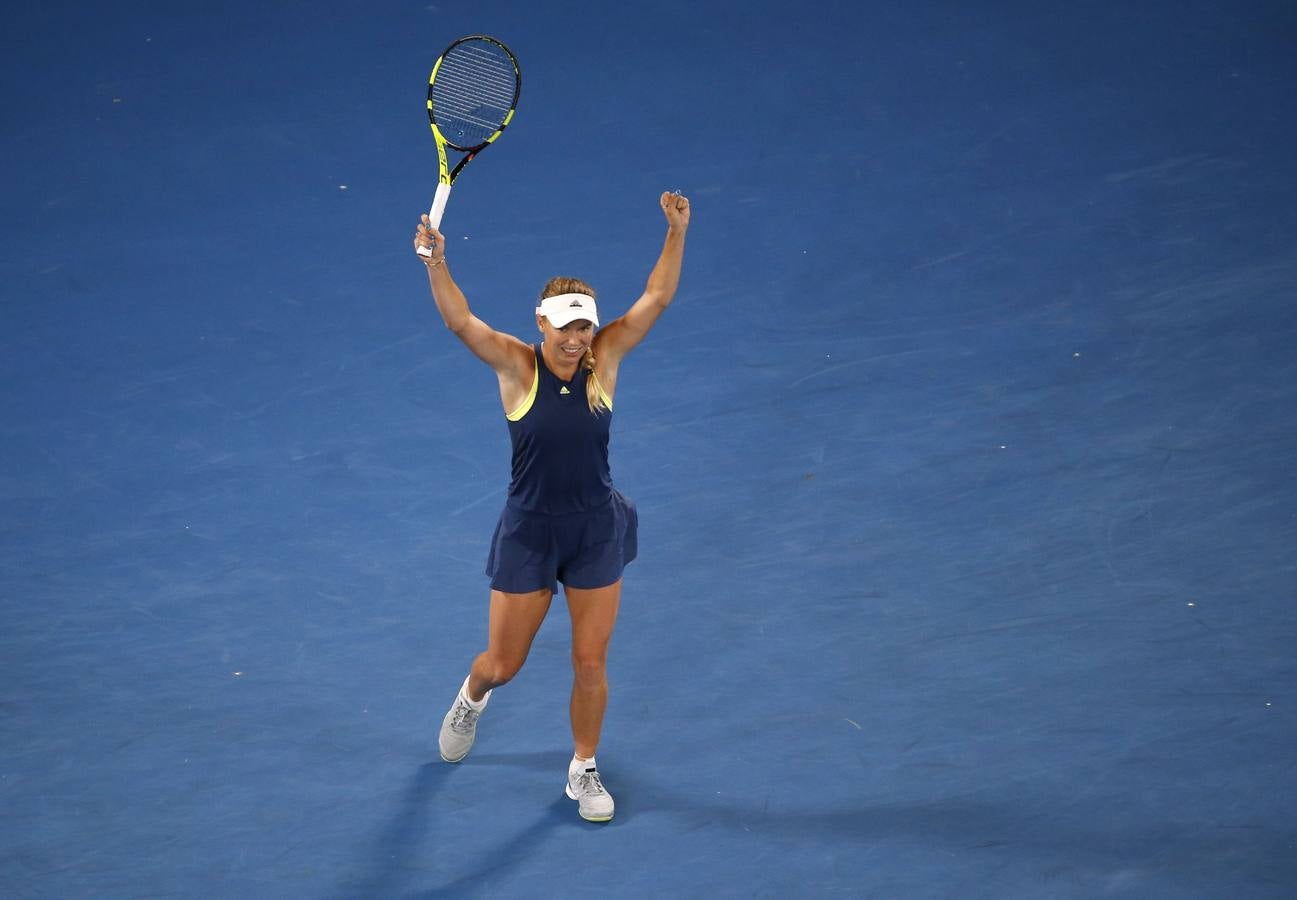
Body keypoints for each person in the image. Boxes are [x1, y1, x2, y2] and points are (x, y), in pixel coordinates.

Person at [411, 191, 690, 822]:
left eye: (584, 326)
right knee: (504, 664)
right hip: (530, 535)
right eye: (566, 327)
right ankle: (472, 695)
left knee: (591, 660)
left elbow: (656, 299)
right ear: (542, 323)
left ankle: (583, 768)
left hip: (595, 530)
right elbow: (462, 323)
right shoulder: (516, 365)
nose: (576, 339)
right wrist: (437, 265)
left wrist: (675, 233)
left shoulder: (604, 360)